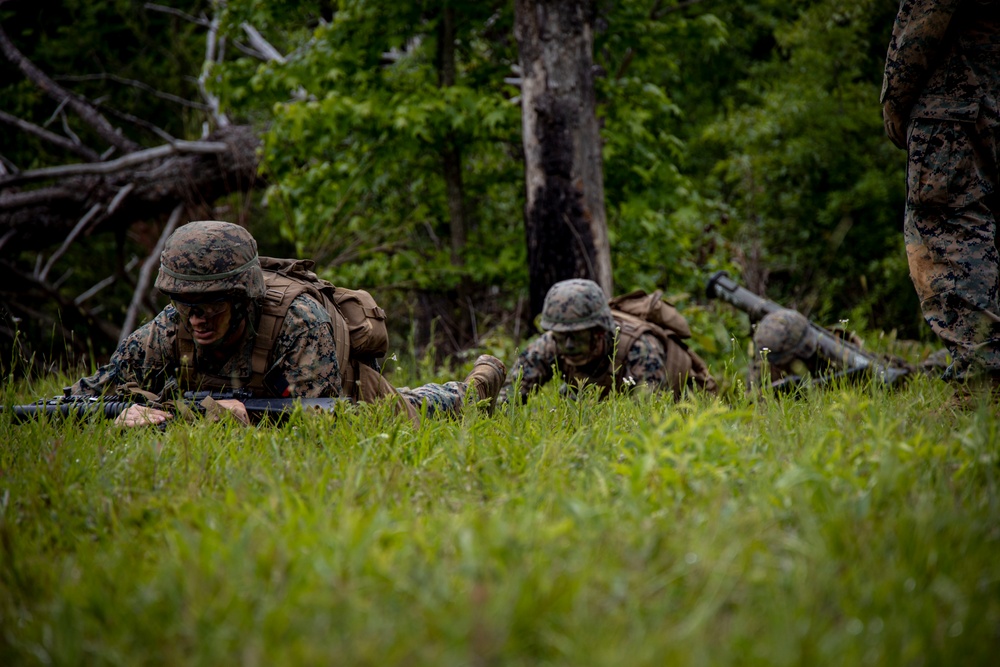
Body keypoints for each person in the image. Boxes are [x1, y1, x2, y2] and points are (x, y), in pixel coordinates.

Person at [70, 220, 505, 427]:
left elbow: (316, 425)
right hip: (267, 403)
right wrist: (124, 413)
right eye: (184, 303)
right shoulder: (173, 324)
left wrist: (189, 414)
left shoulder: (300, 320)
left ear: (242, 299)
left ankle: (478, 386)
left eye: (210, 305)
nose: (195, 318)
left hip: (355, 400)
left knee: (428, 408)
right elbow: (83, 398)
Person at [881, 0, 1000, 382]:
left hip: (958, 100)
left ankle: (983, 382)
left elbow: (927, 13)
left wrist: (894, 101)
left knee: (946, 227)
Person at [497, 278, 716, 405]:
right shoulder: (552, 342)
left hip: (685, 403)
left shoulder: (640, 349)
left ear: (599, 332)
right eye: (562, 336)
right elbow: (508, 397)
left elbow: (650, 417)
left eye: (578, 336)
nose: (569, 345)